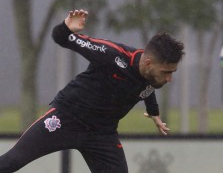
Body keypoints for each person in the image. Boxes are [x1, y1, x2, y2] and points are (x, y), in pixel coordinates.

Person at [0, 9, 185, 173]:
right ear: (148, 63)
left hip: (102, 134)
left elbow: (147, 86)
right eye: (166, 72)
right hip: (66, 119)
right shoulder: (112, 55)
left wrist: (154, 112)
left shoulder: (152, 76)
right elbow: (60, 37)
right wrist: (66, 28)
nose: (169, 79)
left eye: (172, 73)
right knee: (11, 162)